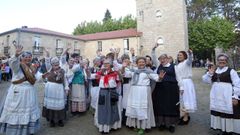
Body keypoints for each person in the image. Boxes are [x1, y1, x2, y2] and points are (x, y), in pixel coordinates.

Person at [0, 45, 40, 135]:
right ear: (22, 58)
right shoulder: (18, 66)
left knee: (29, 111)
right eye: (26, 57)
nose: (28, 59)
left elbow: (36, 77)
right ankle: (16, 131)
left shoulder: (32, 67)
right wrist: (16, 55)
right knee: (17, 110)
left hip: (30, 92)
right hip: (18, 91)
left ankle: (28, 130)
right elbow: (13, 63)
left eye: (29, 57)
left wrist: (43, 76)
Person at [202, 53, 240, 135]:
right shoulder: (214, 70)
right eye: (220, 60)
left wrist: (235, 97)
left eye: (223, 60)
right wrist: (210, 74)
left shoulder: (231, 71)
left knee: (227, 112)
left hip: (227, 95)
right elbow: (206, 81)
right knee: (218, 112)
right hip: (216, 95)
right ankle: (221, 129)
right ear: (217, 61)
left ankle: (228, 131)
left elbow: (237, 84)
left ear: (226, 61)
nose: (221, 61)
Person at [123, 57, 161, 135]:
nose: (141, 63)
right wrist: (123, 67)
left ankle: (143, 127)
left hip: (143, 91)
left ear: (145, 63)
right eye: (139, 62)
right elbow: (125, 74)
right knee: (135, 108)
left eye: (143, 62)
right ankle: (137, 125)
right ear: (137, 63)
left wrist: (160, 77)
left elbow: (157, 78)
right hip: (134, 91)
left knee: (143, 109)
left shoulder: (148, 71)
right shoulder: (134, 71)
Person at [151, 44, 180, 133]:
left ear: (167, 59)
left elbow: (179, 77)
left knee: (170, 106)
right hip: (160, 89)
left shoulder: (174, 66)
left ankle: (171, 124)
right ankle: (162, 124)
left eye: (164, 58)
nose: (162, 60)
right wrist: (153, 49)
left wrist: (181, 88)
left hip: (171, 89)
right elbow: (153, 56)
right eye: (161, 59)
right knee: (160, 106)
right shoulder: (158, 66)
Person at [94, 58, 121, 133]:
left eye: (107, 63)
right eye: (104, 63)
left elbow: (120, 80)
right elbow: (94, 77)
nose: (106, 65)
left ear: (111, 64)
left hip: (112, 93)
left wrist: (118, 72)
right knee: (102, 110)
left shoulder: (115, 73)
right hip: (103, 93)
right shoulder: (100, 73)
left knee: (113, 109)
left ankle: (112, 126)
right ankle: (103, 128)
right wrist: (100, 72)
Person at [42, 56, 69, 127]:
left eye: (57, 65)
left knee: (59, 105)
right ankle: (51, 120)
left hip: (59, 89)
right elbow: (47, 62)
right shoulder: (49, 69)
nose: (56, 66)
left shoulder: (62, 71)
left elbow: (65, 80)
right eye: (54, 65)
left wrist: (66, 88)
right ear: (52, 65)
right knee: (51, 105)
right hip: (50, 90)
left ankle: (60, 120)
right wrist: (47, 55)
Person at [175, 49, 197, 125]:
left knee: (187, 99)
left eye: (180, 55)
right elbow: (178, 76)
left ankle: (186, 118)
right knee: (183, 100)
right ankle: (185, 115)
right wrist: (180, 86)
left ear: (184, 56)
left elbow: (190, 59)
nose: (179, 56)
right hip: (181, 83)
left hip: (187, 83)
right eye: (178, 55)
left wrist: (190, 53)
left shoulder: (187, 63)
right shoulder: (177, 65)